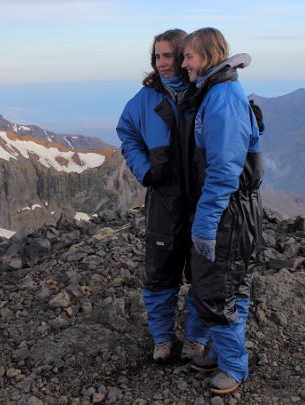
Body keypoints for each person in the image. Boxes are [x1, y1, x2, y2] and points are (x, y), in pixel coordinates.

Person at [178, 27, 263, 395]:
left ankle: (233, 366)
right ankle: (222, 351)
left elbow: (226, 170)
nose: (184, 64)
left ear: (209, 57)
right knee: (226, 284)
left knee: (217, 289)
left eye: (189, 57)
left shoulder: (223, 98)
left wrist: (207, 223)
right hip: (231, 210)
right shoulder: (216, 92)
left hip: (227, 212)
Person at [116, 29, 209, 363]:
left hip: (201, 199)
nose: (162, 63)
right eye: (157, 56)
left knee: (202, 270)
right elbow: (126, 131)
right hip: (164, 199)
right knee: (160, 270)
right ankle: (162, 339)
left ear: (185, 56)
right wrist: (144, 170)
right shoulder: (145, 100)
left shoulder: (204, 92)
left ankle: (196, 339)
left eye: (169, 55)